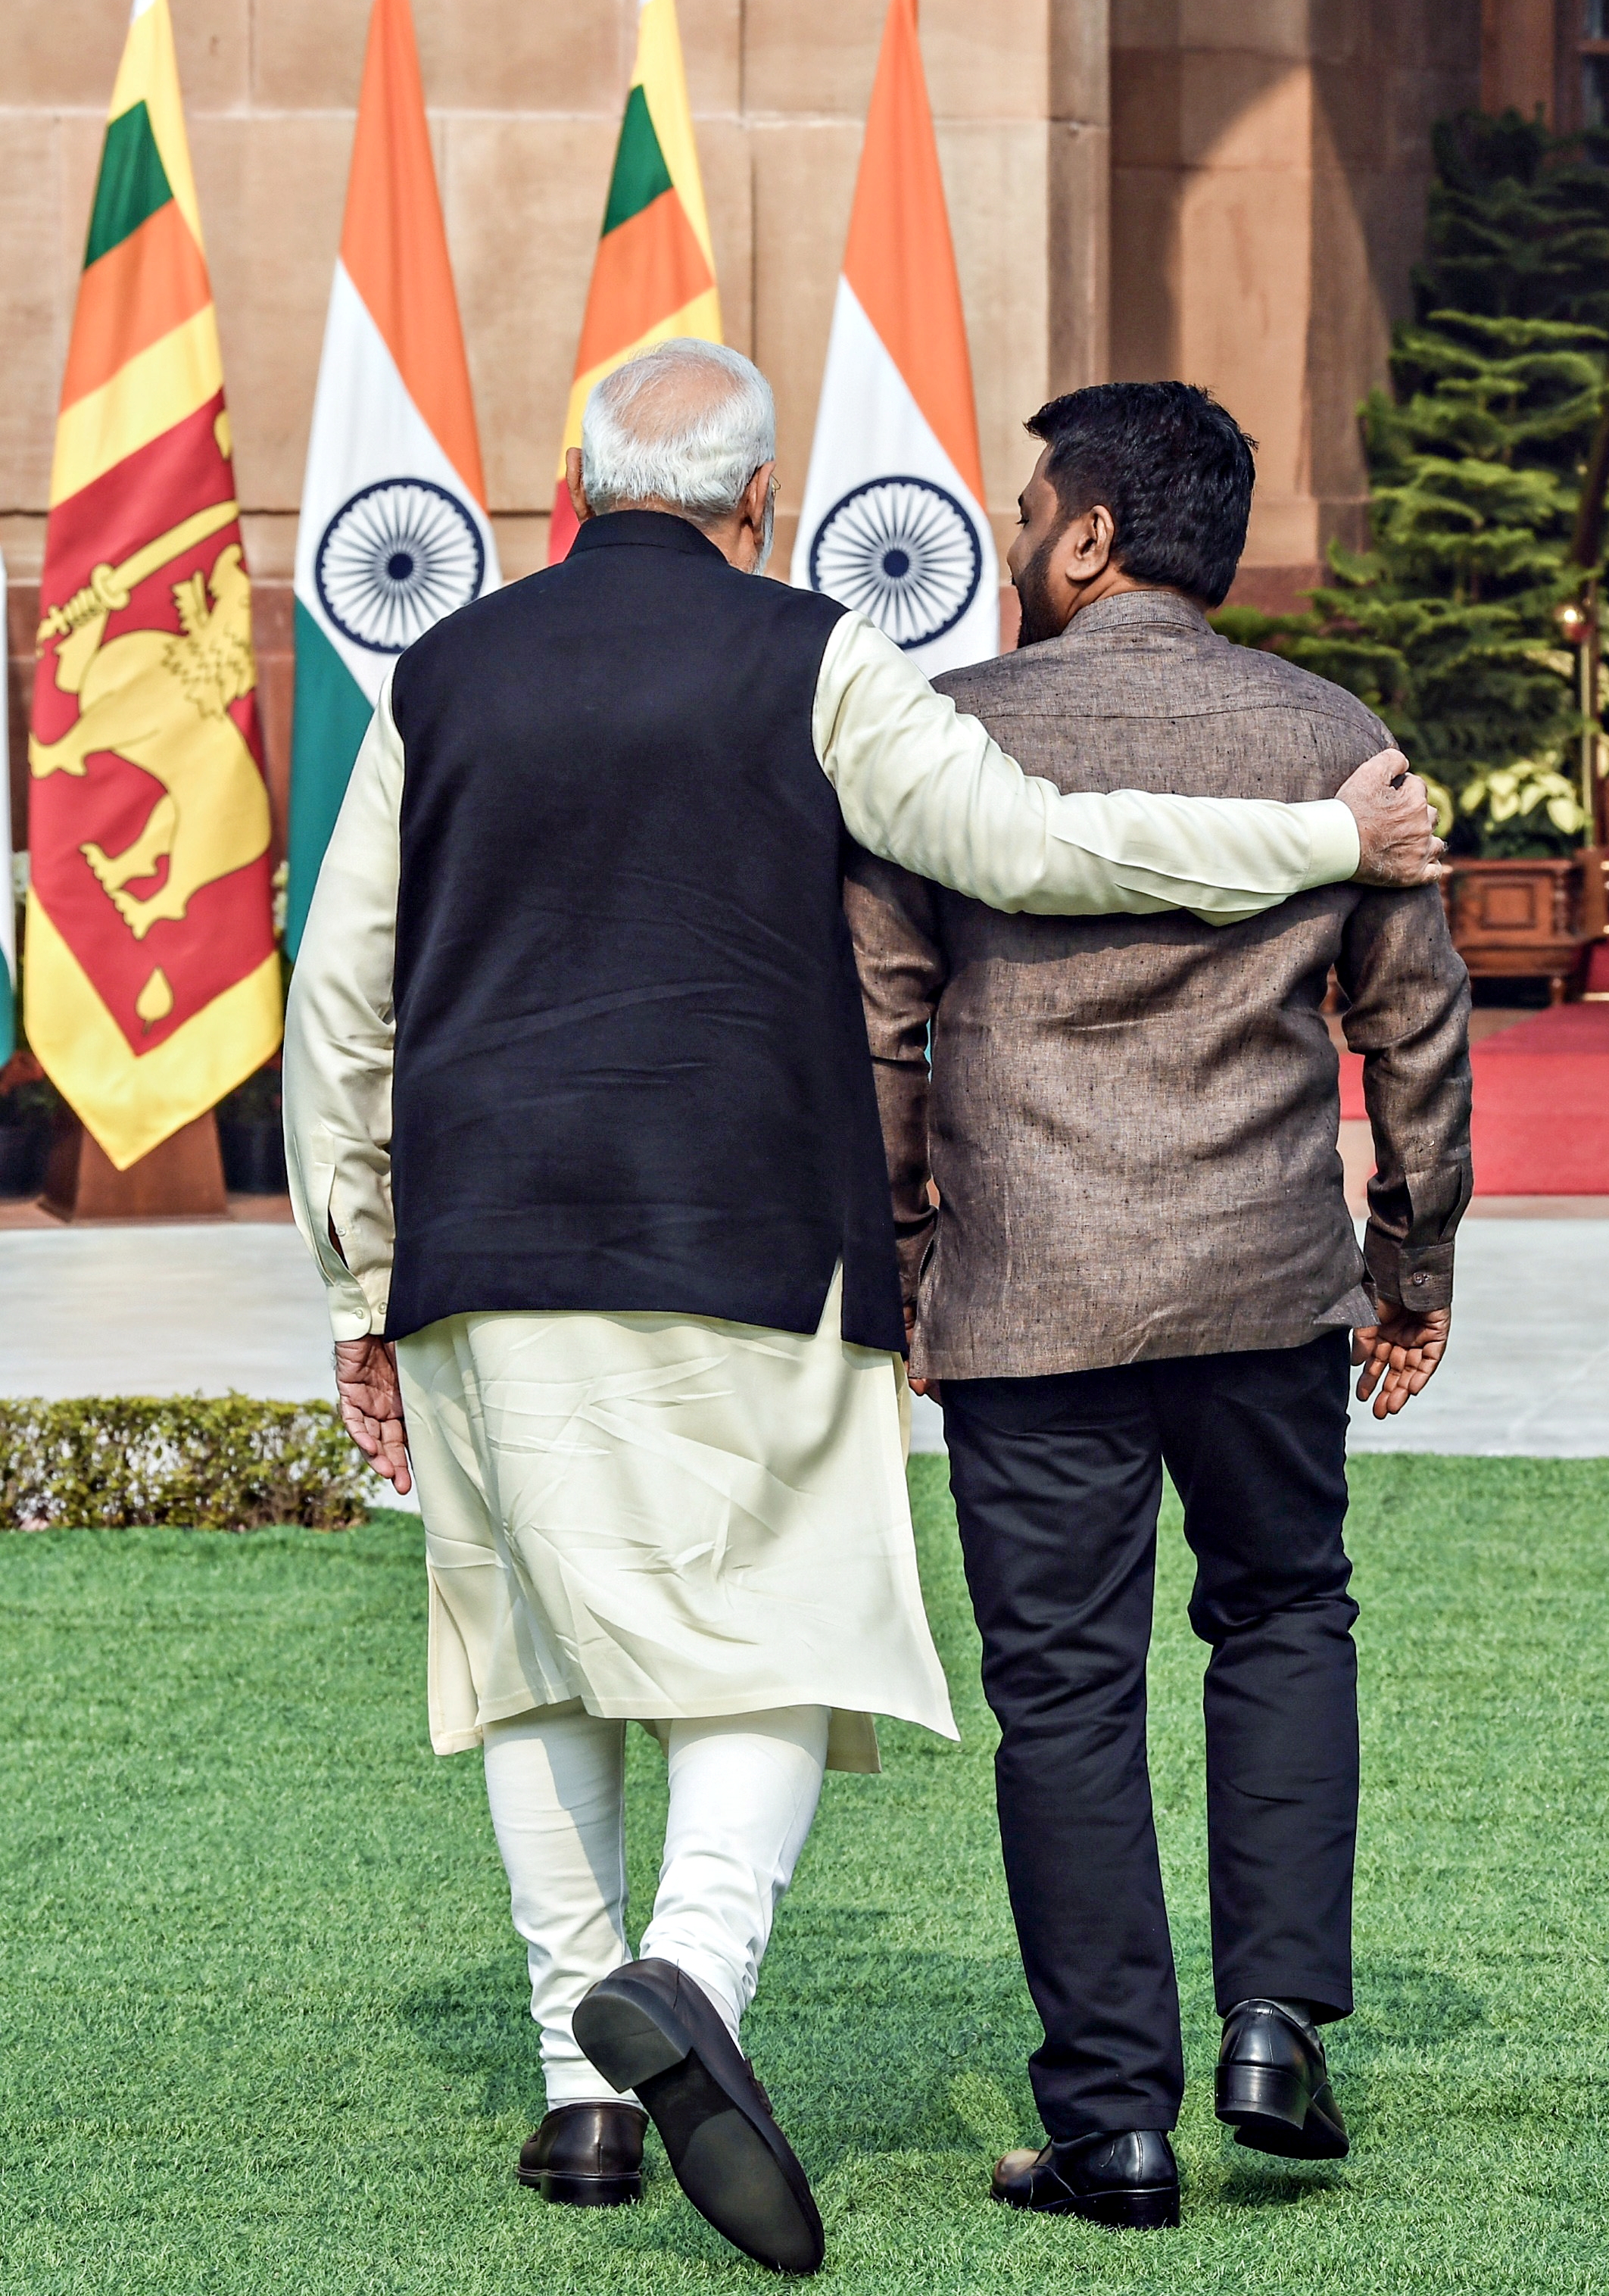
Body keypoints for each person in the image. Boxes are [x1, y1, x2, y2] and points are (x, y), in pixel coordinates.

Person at [282, 343, 1441, 2276]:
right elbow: (1041, 853)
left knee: (525, 1647)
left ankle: (581, 2090)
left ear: (571, 481)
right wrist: (1331, 839)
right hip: (757, 1235)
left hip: (480, 1236)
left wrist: (350, 1276)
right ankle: (691, 1974)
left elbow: (342, 1003)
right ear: (758, 500)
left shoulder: (444, 673)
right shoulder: (816, 658)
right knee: (781, 1635)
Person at [847, 379, 1472, 2236]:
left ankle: (1110, 2126)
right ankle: (1272, 2026)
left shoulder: (944, 737)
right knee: (1282, 1617)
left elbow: (880, 1031)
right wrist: (1409, 1267)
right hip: (1266, 1277)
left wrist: (895, 1279)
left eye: (1033, 506)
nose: (1020, 532)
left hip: (1030, 1293)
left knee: (1064, 1697)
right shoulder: (1331, 739)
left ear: (1091, 536)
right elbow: (1414, 1032)